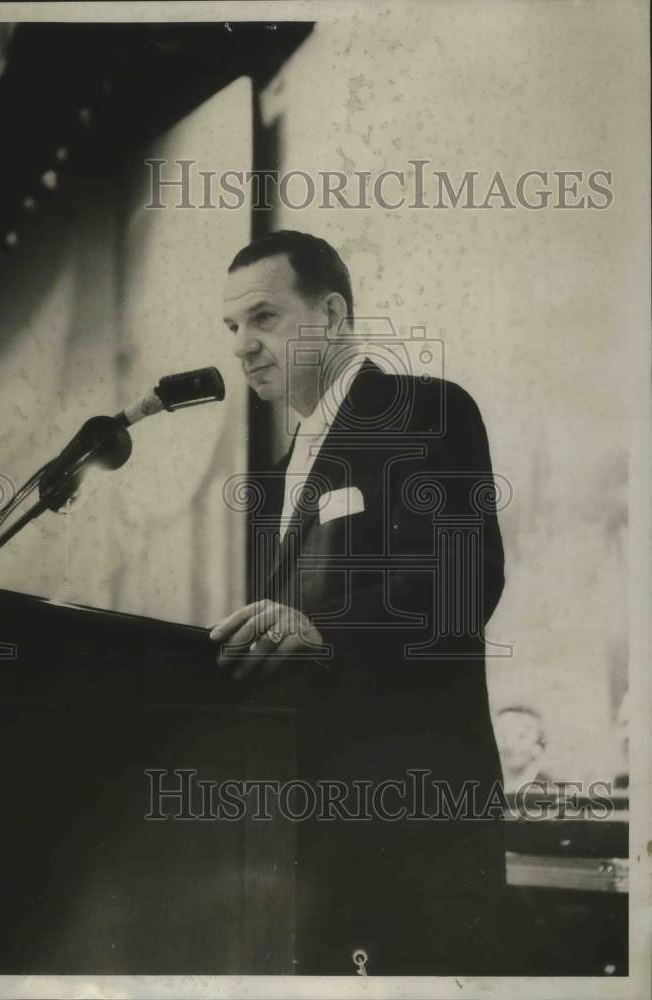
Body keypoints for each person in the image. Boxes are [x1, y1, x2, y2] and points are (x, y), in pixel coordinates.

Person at [210, 230, 507, 975]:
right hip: (301, 827)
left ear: (333, 314)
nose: (243, 346)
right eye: (232, 329)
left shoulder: (425, 411)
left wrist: (323, 628)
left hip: (412, 814)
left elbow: (466, 579)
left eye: (264, 318)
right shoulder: (273, 481)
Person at [494, 705, 551, 795]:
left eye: (521, 737)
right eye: (503, 737)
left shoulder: (554, 794)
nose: (509, 746)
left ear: (538, 747)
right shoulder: (480, 790)